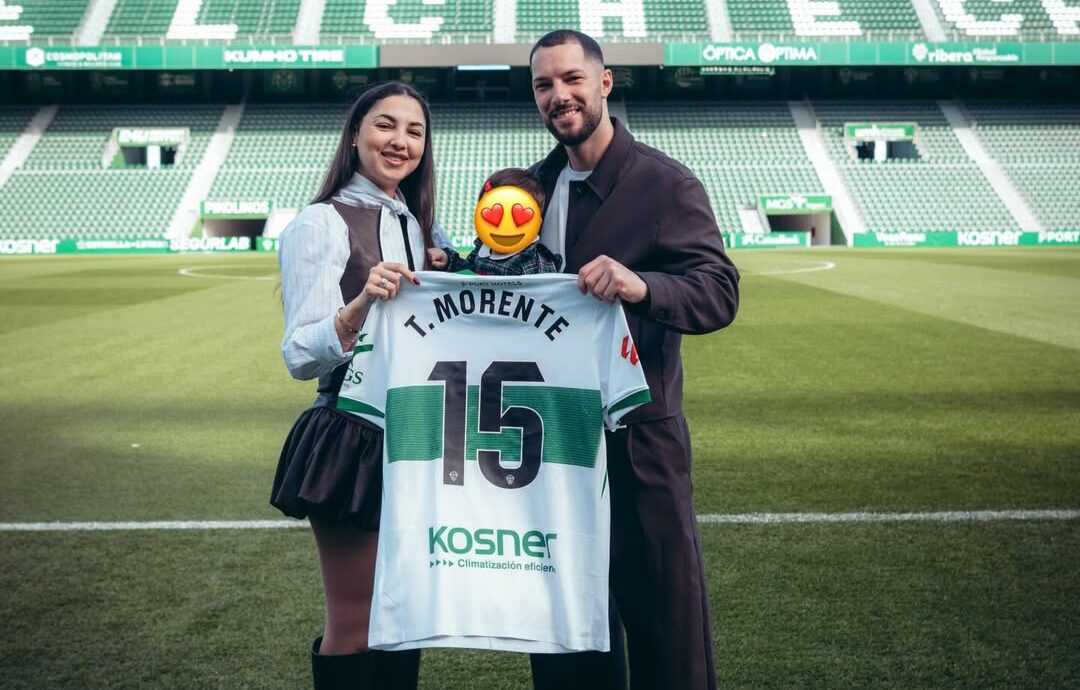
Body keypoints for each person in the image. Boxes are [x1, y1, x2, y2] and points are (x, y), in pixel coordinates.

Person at [525, 30, 741, 690]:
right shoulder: (529, 189)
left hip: (641, 442)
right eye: (543, 85)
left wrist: (641, 285)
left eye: (572, 79)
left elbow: (719, 292)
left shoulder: (664, 184)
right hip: (553, 445)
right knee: (565, 630)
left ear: (604, 82)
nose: (559, 96)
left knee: (666, 628)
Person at [269, 81, 448, 690]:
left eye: (414, 131)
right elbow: (299, 355)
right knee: (356, 622)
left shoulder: (421, 226)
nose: (400, 141)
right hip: (353, 432)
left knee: (406, 617)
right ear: (354, 135)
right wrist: (359, 305)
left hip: (418, 433)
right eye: (385, 125)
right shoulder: (320, 222)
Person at [428, 167, 562, 275]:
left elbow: (545, 295)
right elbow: (469, 269)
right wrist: (448, 260)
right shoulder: (484, 248)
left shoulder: (533, 263)